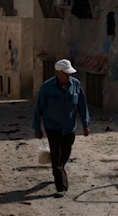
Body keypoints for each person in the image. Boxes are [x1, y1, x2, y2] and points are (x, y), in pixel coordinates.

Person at [32, 59, 91, 198]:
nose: (68, 76)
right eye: (66, 74)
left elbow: (82, 105)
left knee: (65, 152)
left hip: (69, 127)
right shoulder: (46, 87)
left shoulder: (75, 84)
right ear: (58, 73)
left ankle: (59, 169)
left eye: (70, 73)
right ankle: (61, 186)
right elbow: (38, 108)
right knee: (56, 154)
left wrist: (85, 124)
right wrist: (37, 127)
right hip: (52, 126)